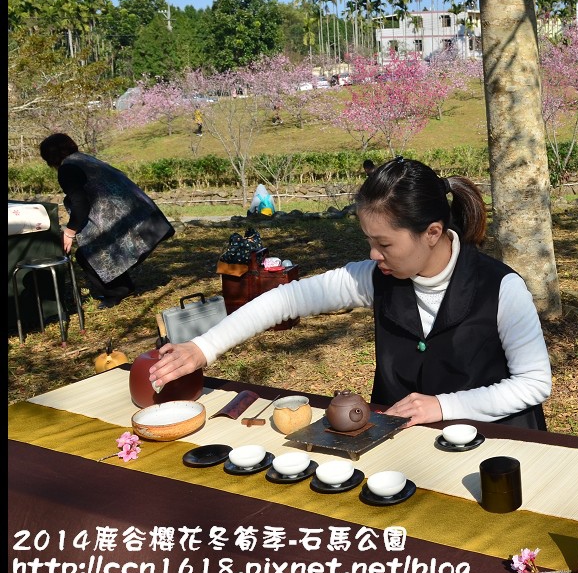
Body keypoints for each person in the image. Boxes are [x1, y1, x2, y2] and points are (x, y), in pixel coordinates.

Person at [149, 157, 552, 430]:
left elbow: (534, 383)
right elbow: (286, 299)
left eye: (385, 244)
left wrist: (445, 406)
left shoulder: (500, 288)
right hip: (404, 442)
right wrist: (203, 347)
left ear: (432, 233)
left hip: (495, 446)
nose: (374, 255)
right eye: (369, 241)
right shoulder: (375, 277)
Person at [39, 133, 175, 308]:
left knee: (87, 254)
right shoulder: (85, 159)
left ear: (50, 158)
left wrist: (70, 232)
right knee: (98, 248)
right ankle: (123, 287)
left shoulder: (67, 169)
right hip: (148, 220)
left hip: (129, 223)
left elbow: (81, 204)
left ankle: (116, 291)